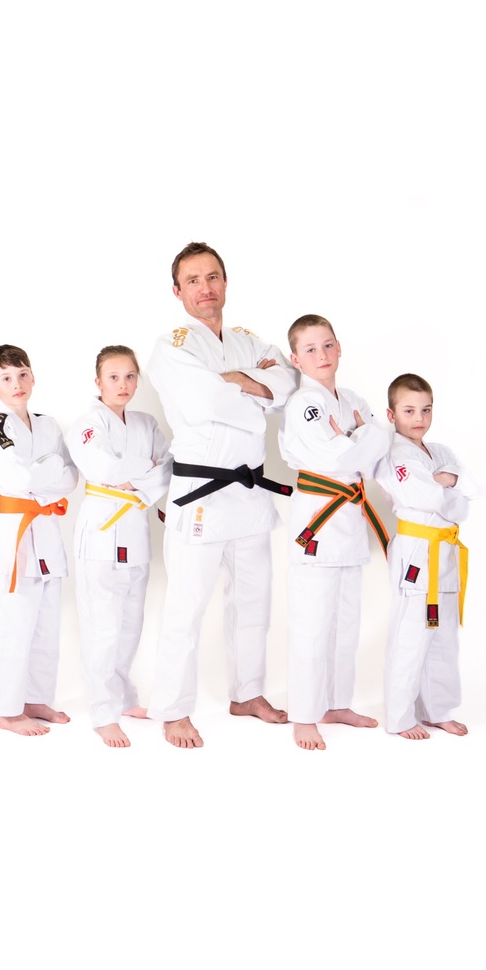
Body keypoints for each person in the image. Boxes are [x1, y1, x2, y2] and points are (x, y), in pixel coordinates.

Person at [146, 241, 296, 748]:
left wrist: (237, 381)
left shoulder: (249, 339)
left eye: (213, 277)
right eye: (193, 280)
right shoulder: (171, 346)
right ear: (177, 291)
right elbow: (206, 400)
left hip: (250, 491)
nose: (205, 288)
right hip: (202, 493)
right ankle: (173, 710)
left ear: (226, 282)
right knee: (186, 607)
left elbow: (290, 380)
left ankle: (247, 693)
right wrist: (258, 392)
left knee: (253, 601)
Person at [279, 316, 393, 751]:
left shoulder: (353, 399)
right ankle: (305, 715)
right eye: (310, 349)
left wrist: (357, 439)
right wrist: (364, 436)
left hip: (350, 521)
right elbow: (336, 459)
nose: (322, 355)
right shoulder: (303, 405)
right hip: (319, 524)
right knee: (312, 624)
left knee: (346, 622)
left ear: (339, 347)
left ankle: (336, 703)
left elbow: (371, 458)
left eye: (328, 345)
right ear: (295, 359)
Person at [64, 347, 171, 748]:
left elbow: (168, 468)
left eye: (129, 376)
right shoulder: (87, 425)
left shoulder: (146, 423)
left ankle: (125, 699)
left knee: (129, 625)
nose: (122, 384)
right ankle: (103, 714)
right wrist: (144, 468)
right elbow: (103, 469)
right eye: (113, 377)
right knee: (102, 627)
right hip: (102, 532)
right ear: (98, 381)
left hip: (135, 529)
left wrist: (137, 479)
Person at [0, 344, 77, 737]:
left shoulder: (49, 425)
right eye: (5, 378)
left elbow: (71, 477)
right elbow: (18, 479)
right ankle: (8, 710)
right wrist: (48, 470)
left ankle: (36, 698)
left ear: (32, 376)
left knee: (46, 625)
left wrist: (42, 473)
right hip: (17, 533)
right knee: (15, 624)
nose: (16, 383)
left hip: (48, 532)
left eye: (22, 374)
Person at [374, 374, 476, 740]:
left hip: (445, 551)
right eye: (409, 410)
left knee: (444, 636)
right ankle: (400, 717)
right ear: (391, 414)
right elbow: (433, 499)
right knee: (412, 634)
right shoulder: (394, 456)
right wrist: (447, 486)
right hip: (417, 553)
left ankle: (438, 710)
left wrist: (452, 482)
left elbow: (469, 494)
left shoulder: (441, 452)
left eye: (426, 409)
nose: (419, 418)